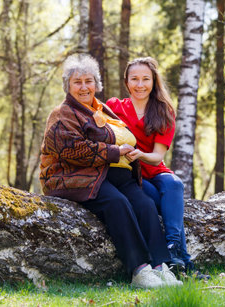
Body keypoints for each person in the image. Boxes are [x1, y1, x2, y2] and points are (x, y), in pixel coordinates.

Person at [39, 54, 182, 288]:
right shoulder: (62, 113)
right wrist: (115, 152)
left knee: (144, 202)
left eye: (89, 81)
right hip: (69, 176)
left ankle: (161, 265)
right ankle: (140, 270)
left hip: (101, 172)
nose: (84, 87)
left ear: (96, 84)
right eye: (77, 82)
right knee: (117, 202)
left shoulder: (101, 109)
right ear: (68, 86)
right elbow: (73, 150)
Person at [106, 57, 209, 279]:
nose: (140, 84)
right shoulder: (114, 107)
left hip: (153, 168)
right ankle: (184, 263)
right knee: (161, 203)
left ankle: (172, 247)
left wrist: (141, 154)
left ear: (154, 81)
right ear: (126, 82)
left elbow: (157, 157)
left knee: (174, 184)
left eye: (145, 79)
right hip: (134, 176)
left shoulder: (163, 110)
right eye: (134, 79)